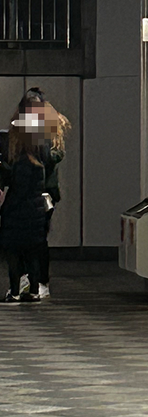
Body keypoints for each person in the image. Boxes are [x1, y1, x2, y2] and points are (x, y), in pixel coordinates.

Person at [5, 88, 66, 299]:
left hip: (42, 193)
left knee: (37, 240)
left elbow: (52, 157)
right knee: (25, 239)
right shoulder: (20, 129)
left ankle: (39, 281)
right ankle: (26, 281)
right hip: (29, 191)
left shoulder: (46, 129)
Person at [0, 114, 53, 303]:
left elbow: (18, 189)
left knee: (13, 252)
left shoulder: (22, 162)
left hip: (19, 214)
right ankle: (34, 289)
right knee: (32, 253)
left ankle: (14, 291)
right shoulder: (39, 160)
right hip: (36, 213)